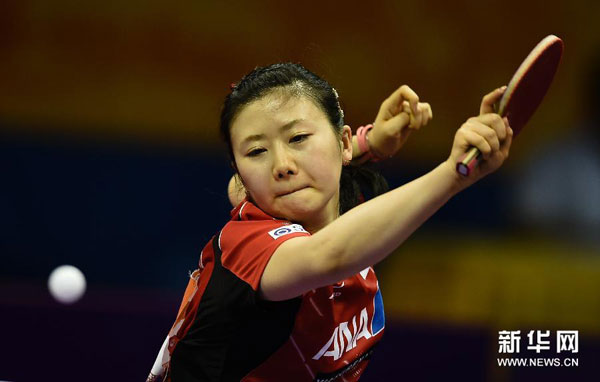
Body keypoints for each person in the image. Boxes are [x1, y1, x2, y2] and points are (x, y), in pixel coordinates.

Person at [147, 63, 512, 382]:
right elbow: (329, 255)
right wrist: (454, 175)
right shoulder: (246, 246)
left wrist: (372, 142)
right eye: (256, 151)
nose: (282, 165)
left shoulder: (345, 198)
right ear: (241, 174)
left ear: (343, 143)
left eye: (299, 138)